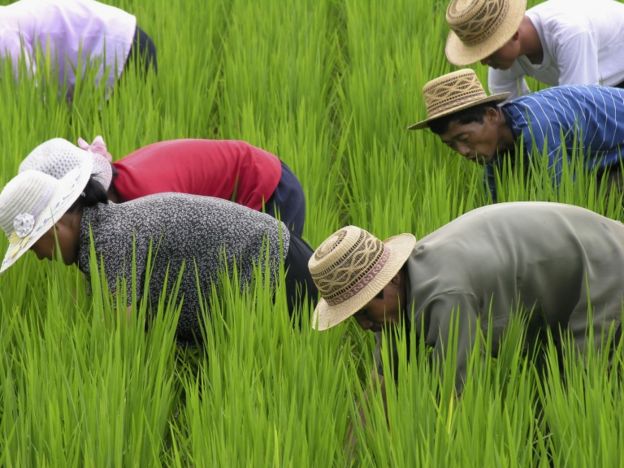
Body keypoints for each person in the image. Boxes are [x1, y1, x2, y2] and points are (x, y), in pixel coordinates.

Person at [0, 154, 317, 344]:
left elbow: (122, 347)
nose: (39, 256)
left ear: (55, 227)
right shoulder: (102, 232)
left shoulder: (110, 243)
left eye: (32, 246)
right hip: (274, 268)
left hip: (279, 275)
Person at [308, 202, 624, 392]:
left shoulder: (444, 295)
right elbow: (382, 385)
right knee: (544, 380)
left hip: (604, 265)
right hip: (557, 274)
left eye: (363, 313)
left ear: (389, 279)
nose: (364, 327)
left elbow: (459, 393)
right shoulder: (395, 303)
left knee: (579, 387)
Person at [408, 68, 624, 201]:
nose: (462, 151)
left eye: (464, 139)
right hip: (607, 154)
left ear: (491, 115)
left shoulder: (538, 126)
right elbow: (495, 205)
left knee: (599, 209)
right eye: (451, 145)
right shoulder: (498, 145)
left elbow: (562, 202)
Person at [20, 136, 307, 236]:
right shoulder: (121, 191)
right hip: (250, 182)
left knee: (265, 294)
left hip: (269, 190)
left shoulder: (150, 199)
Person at [444, 0, 624, 100]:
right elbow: (514, 112)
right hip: (599, 87)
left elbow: (579, 107)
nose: (484, 62)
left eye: (489, 52)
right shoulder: (505, 57)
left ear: (513, 34)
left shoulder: (570, 33)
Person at [0, 0, 157, 98]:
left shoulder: (4, 33)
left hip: (125, 49)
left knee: (109, 138)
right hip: (121, 41)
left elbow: (31, 98)